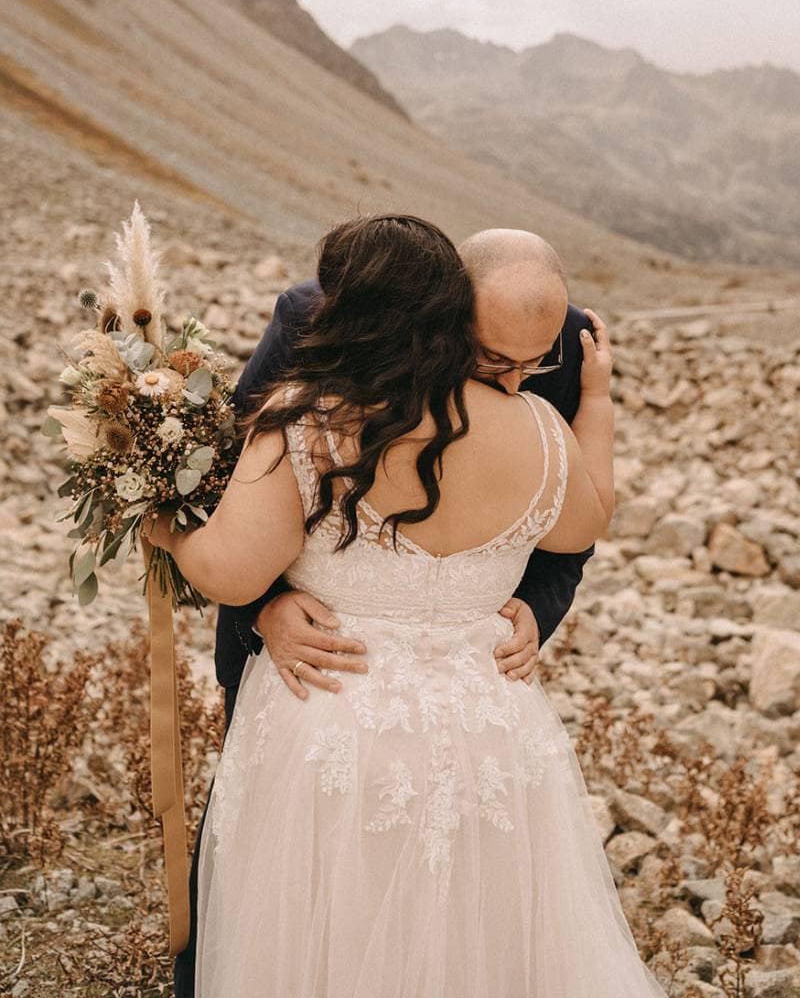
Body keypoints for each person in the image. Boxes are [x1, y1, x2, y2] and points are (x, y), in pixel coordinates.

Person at [146, 214, 666, 996]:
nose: (518, 378)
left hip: (331, 720)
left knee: (299, 919)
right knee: (481, 925)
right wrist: (595, 400)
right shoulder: (543, 426)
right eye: (495, 358)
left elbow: (226, 562)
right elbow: (588, 514)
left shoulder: (308, 417)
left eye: (538, 364)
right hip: (471, 720)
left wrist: (161, 525)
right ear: (450, 315)